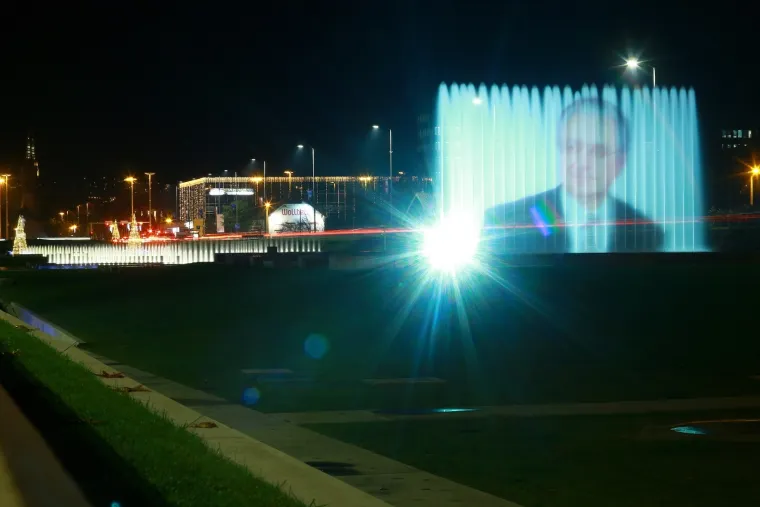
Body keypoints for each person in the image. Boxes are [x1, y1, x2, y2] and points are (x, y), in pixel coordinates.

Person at [484, 98, 664, 253]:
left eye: (598, 152)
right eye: (572, 148)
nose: (583, 163)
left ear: (620, 163)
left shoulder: (647, 232)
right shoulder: (504, 222)